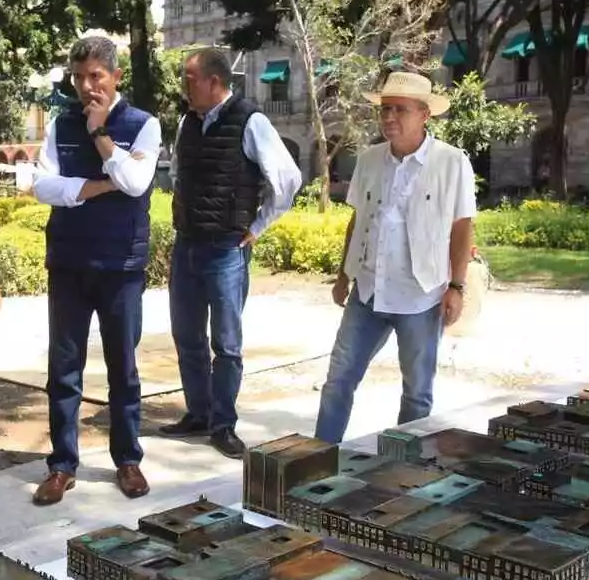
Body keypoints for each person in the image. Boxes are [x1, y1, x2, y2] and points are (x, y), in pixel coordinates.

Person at [28, 36, 161, 505]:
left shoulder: (143, 125)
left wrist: (102, 133)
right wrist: (95, 187)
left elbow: (136, 181)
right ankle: (62, 465)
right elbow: (41, 185)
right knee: (63, 369)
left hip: (121, 265)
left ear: (115, 77)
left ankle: (128, 460)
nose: (87, 87)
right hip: (68, 262)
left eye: (96, 77)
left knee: (123, 369)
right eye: (80, 77)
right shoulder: (61, 125)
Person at [313, 71, 476, 444]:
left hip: (421, 294)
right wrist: (343, 274)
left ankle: (401, 469)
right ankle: (318, 457)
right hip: (368, 290)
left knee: (417, 392)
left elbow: (462, 227)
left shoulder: (451, 163)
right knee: (339, 379)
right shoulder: (370, 160)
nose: (389, 118)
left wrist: (456, 286)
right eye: (385, 110)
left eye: (400, 110)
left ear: (424, 115)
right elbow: (358, 220)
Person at [157, 48, 302, 459]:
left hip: (225, 248)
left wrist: (256, 228)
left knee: (226, 343)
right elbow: (179, 174)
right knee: (187, 336)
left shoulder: (251, 121)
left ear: (215, 82)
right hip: (187, 243)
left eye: (190, 79)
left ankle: (224, 424)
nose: (184, 87)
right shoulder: (187, 122)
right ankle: (199, 414)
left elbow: (288, 179)